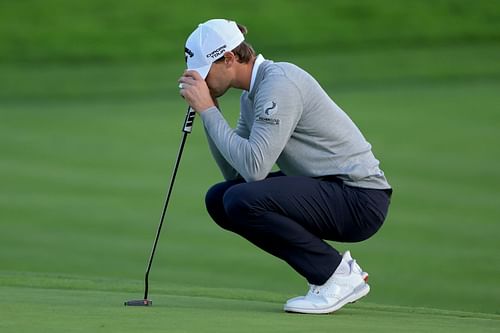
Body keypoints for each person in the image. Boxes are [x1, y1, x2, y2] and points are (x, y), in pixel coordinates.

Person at [178, 19, 392, 314]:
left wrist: (209, 110)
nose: (203, 81)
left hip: (359, 197)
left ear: (228, 59)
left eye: (205, 73)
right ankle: (331, 274)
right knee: (220, 198)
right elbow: (237, 173)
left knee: (239, 199)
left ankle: (335, 275)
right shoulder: (251, 97)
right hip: (329, 189)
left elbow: (254, 170)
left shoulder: (279, 83)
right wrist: (210, 111)